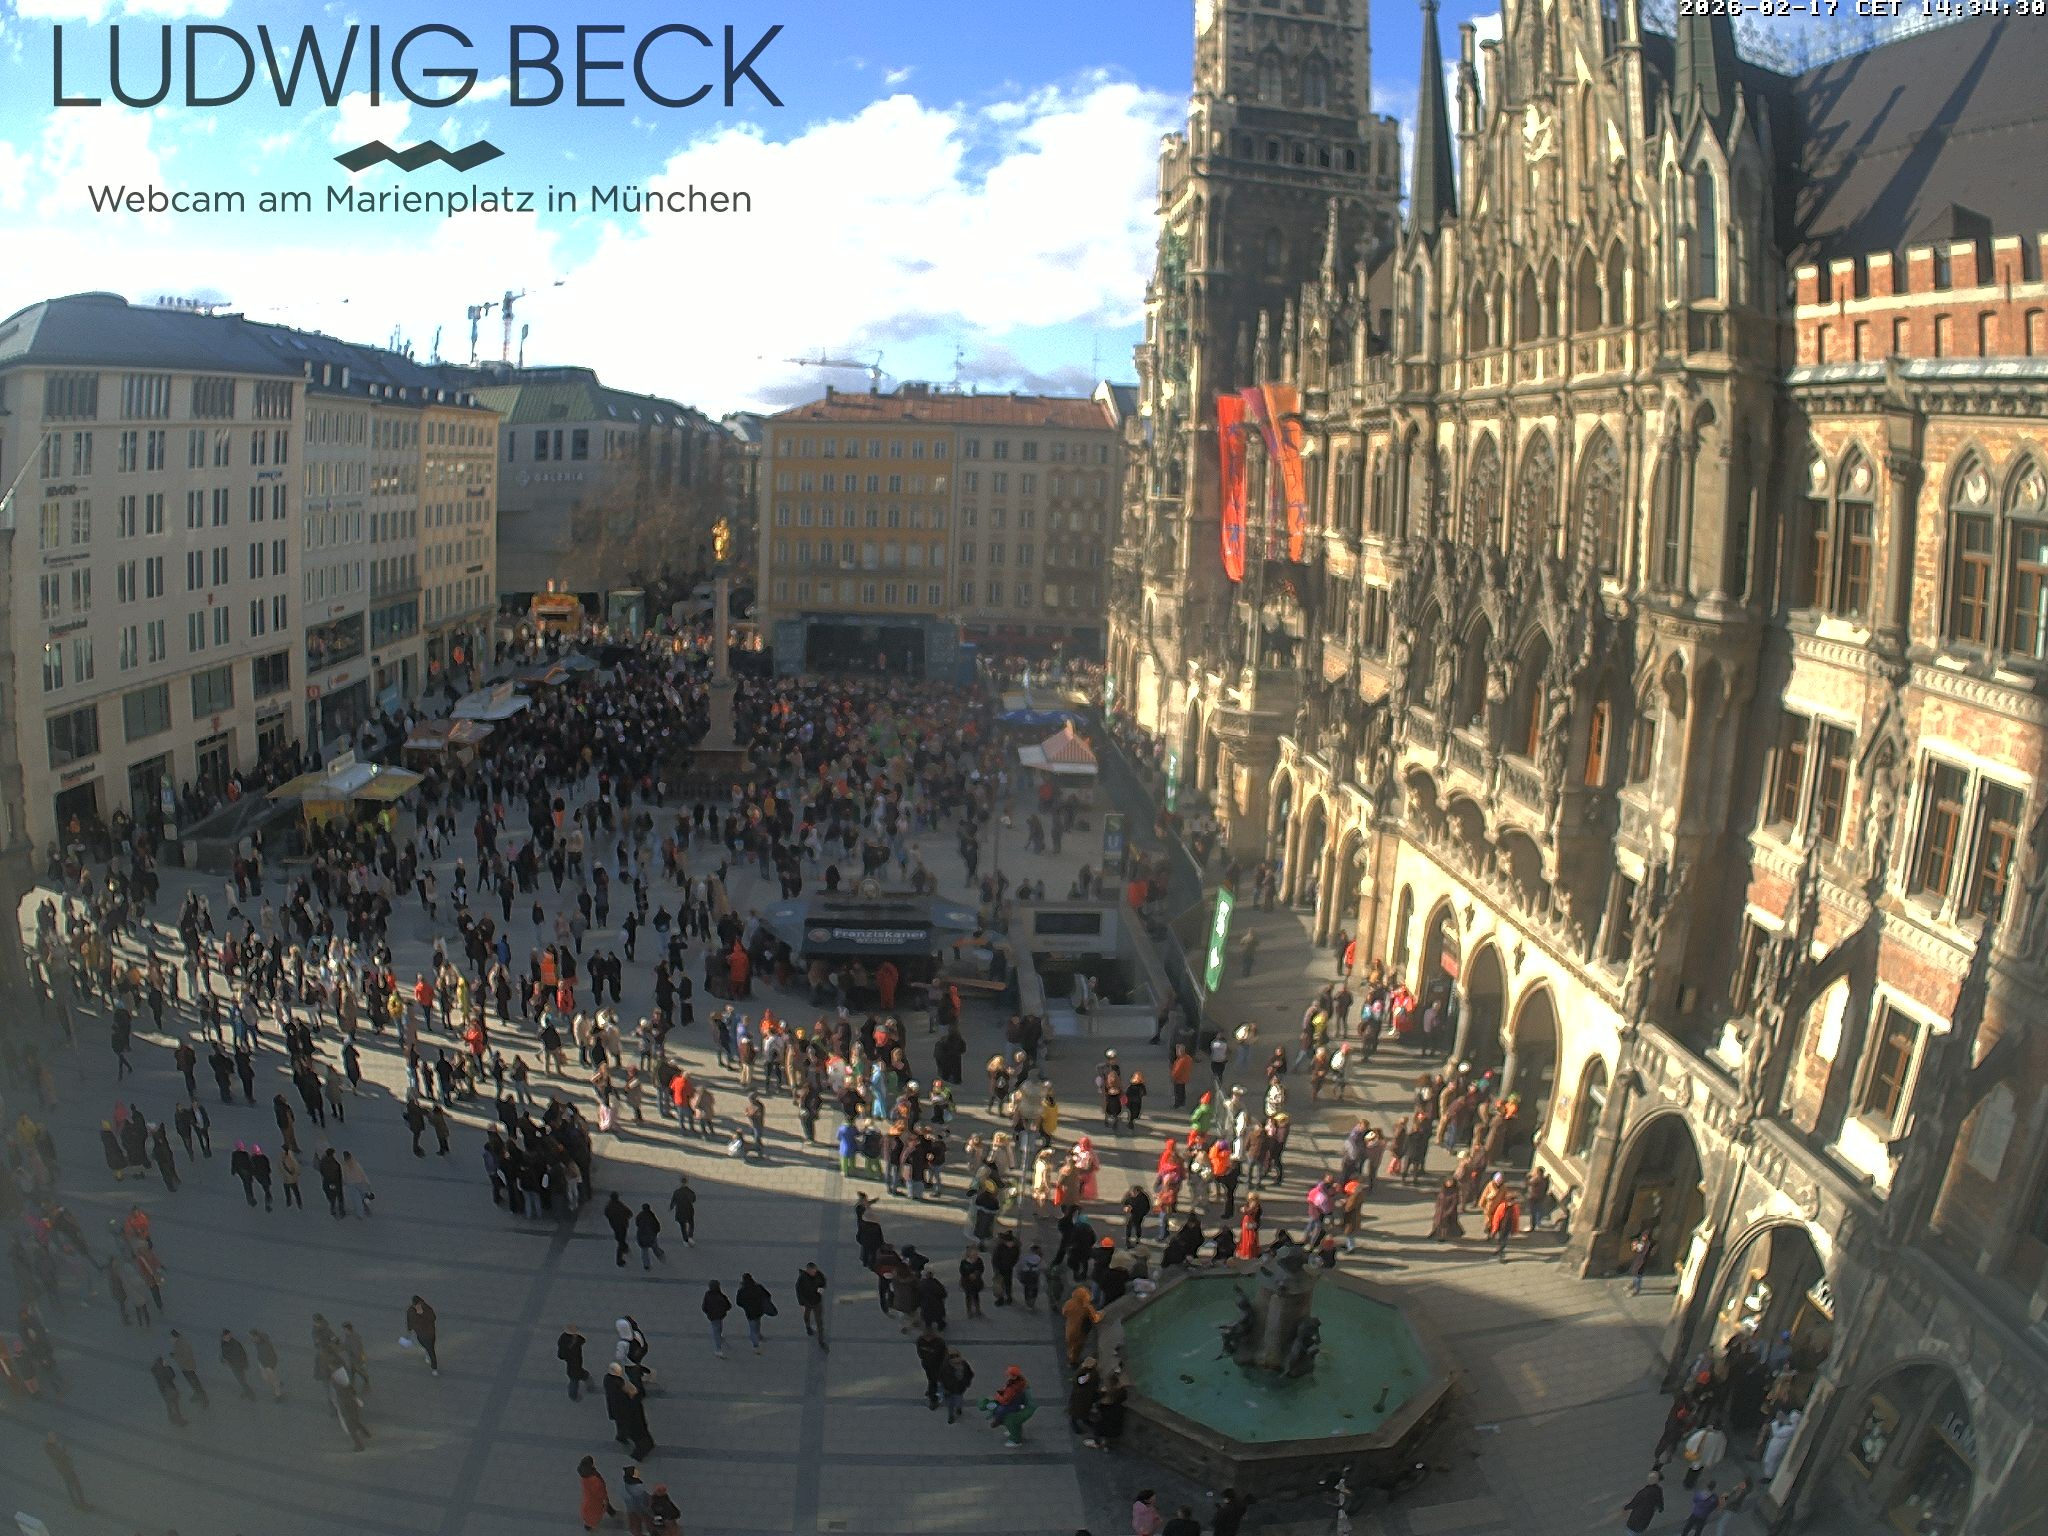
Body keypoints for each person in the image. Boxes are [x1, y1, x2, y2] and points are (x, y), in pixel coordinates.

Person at [44, 1432, 89, 1510]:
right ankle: (80, 1504)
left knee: (73, 1485)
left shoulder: (53, 1445)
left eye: (55, 1436)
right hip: (64, 1469)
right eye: (53, 1437)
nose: (55, 1438)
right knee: (74, 1486)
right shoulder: (49, 1447)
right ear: (49, 1439)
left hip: (67, 1467)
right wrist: (63, 1450)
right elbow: (58, 1456)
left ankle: (80, 1503)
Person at [736, 1272, 775, 1352]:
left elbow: (738, 1302)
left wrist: (745, 1306)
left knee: (752, 1327)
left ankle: (756, 1345)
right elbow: (768, 1295)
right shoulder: (758, 1287)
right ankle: (759, 1335)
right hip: (759, 1310)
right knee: (757, 1322)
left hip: (749, 1312)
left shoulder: (742, 1290)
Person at [796, 1262, 829, 1350]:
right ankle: (808, 1327)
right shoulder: (802, 1279)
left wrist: (821, 1289)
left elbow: (823, 1282)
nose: (815, 1272)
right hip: (807, 1302)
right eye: (813, 1271)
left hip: (817, 1302)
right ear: (808, 1270)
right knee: (807, 1315)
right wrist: (801, 1303)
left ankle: (821, 1339)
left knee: (819, 1321)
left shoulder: (819, 1275)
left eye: (815, 1270)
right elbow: (799, 1292)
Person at [1621, 1471, 1665, 1535]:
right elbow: (1660, 1503)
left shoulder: (1644, 1492)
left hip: (1635, 1520)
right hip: (1646, 1518)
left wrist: (1626, 1507)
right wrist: (1660, 1508)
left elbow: (1634, 1503)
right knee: (1639, 1530)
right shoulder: (1658, 1491)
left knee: (1631, 1532)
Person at [577, 1455, 613, 1533]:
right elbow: (600, 1494)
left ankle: (611, 1512)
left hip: (590, 1502)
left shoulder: (585, 1476)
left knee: (594, 1514)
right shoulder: (595, 1481)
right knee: (597, 1512)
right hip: (596, 1503)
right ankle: (590, 1527)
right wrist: (605, 1499)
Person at [405, 1295, 439, 1376]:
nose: (418, 1306)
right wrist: (409, 1329)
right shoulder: (410, 1311)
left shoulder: (427, 1308)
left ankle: (434, 1367)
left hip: (430, 1334)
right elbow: (409, 1320)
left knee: (431, 1350)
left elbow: (433, 1317)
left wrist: (422, 1314)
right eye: (416, 1305)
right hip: (421, 1334)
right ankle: (429, 1357)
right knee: (425, 1346)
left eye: (419, 1304)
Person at [559, 1325, 592, 1399]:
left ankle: (589, 1387)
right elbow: (561, 1355)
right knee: (575, 1382)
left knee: (583, 1376)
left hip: (575, 1365)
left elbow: (583, 1340)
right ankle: (573, 1395)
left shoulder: (566, 1338)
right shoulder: (570, 1342)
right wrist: (573, 1343)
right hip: (574, 1366)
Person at [702, 1280, 732, 1356]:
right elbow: (728, 1305)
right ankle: (720, 1337)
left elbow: (704, 1306)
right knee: (719, 1326)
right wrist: (724, 1311)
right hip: (720, 1315)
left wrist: (707, 1312)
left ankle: (718, 1349)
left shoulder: (707, 1295)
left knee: (715, 1330)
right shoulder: (721, 1295)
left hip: (712, 1316)